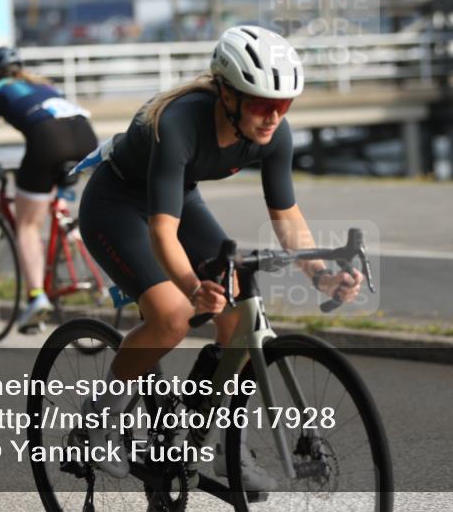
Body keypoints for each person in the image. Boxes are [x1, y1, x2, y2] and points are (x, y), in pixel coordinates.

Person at [76, 25, 364, 486]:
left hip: (177, 199)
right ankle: (97, 423)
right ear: (227, 95)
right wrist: (195, 288)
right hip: (115, 205)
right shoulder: (178, 124)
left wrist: (322, 276)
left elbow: (286, 216)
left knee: (242, 323)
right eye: (261, 104)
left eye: (283, 105)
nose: (273, 117)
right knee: (172, 316)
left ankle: (222, 448)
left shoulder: (273, 135)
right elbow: (162, 234)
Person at [0, 47, 98, 331]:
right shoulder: (44, 84)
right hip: (86, 138)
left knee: (27, 225)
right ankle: (69, 236)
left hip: (48, 141)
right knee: (51, 190)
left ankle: (37, 297)